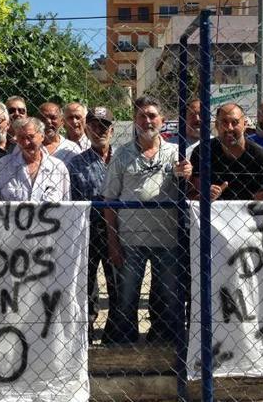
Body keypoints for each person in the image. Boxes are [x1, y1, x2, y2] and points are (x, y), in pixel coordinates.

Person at [102, 95, 192, 344]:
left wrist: (186, 175)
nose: (147, 120)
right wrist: (113, 243)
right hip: (130, 240)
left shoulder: (177, 153)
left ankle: (167, 344)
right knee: (127, 298)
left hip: (168, 240)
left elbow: (191, 191)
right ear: (135, 120)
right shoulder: (122, 155)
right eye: (142, 116)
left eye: (152, 115)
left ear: (162, 120)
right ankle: (125, 346)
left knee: (170, 297)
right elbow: (109, 201)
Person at [67, 106, 118, 341]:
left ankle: (115, 332)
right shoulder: (75, 164)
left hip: (117, 230)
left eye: (105, 126)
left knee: (117, 282)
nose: (100, 130)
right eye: (95, 126)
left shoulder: (122, 158)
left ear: (113, 129)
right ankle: (85, 332)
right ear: (87, 129)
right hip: (87, 231)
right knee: (86, 285)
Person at [190, 103, 263, 201]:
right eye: (224, 122)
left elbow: (262, 206)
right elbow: (191, 195)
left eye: (235, 122)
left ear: (245, 124)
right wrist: (204, 197)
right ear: (217, 125)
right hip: (210, 215)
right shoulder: (202, 152)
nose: (229, 127)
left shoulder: (261, 158)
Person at [0, 117, 71, 201]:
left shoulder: (58, 168)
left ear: (42, 136)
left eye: (30, 137)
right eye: (21, 138)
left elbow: (67, 205)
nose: (26, 142)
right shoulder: (3, 165)